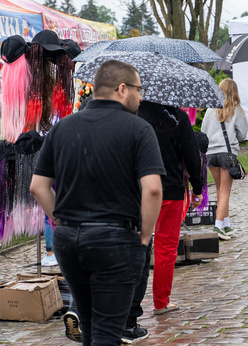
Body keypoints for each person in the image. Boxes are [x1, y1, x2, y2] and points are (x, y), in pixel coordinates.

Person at [30, 59, 164, 345]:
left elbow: (38, 187)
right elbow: (152, 189)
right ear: (122, 89)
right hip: (115, 238)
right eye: (139, 90)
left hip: (68, 239)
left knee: (90, 326)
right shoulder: (139, 130)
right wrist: (145, 235)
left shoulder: (62, 128)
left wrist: (62, 221)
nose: (141, 97)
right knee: (107, 332)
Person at [137, 101, 204, 317]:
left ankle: (128, 308)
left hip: (137, 189)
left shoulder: (133, 115)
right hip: (170, 189)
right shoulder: (178, 117)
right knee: (166, 248)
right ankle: (160, 301)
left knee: (135, 246)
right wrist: (197, 186)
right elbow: (192, 155)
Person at [201, 78, 248, 240]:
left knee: (220, 190)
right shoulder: (236, 110)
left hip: (211, 155)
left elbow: (203, 131)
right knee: (225, 191)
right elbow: (242, 134)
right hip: (227, 154)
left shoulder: (210, 109)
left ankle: (226, 224)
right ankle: (218, 226)